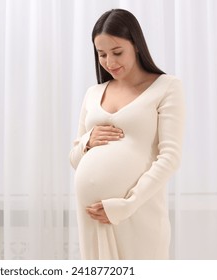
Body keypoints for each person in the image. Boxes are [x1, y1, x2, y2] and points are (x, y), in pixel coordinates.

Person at [69, 9, 185, 259]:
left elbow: (169, 157)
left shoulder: (166, 87)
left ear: (136, 44)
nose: (110, 62)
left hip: (137, 212)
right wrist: (87, 142)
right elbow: (75, 159)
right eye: (102, 54)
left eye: (117, 52)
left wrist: (126, 205)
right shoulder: (93, 93)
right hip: (93, 215)